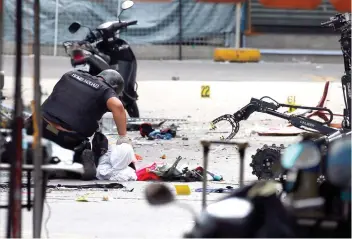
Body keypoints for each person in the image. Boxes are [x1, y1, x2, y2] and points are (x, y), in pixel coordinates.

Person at [25, 69, 132, 180]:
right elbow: (118, 106)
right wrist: (123, 137)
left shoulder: (71, 74)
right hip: (66, 138)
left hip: (39, 127)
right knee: (91, 142)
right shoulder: (105, 90)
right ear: (114, 87)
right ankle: (76, 162)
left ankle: (39, 158)